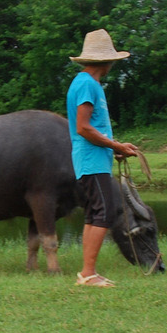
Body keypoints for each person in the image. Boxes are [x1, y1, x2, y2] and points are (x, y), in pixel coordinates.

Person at [66, 28, 141, 288]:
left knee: (94, 214)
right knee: (104, 213)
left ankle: (87, 273)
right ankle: (88, 273)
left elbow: (91, 127)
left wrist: (114, 148)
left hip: (95, 158)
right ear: (106, 61)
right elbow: (83, 127)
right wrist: (115, 145)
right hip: (91, 160)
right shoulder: (87, 84)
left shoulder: (88, 83)